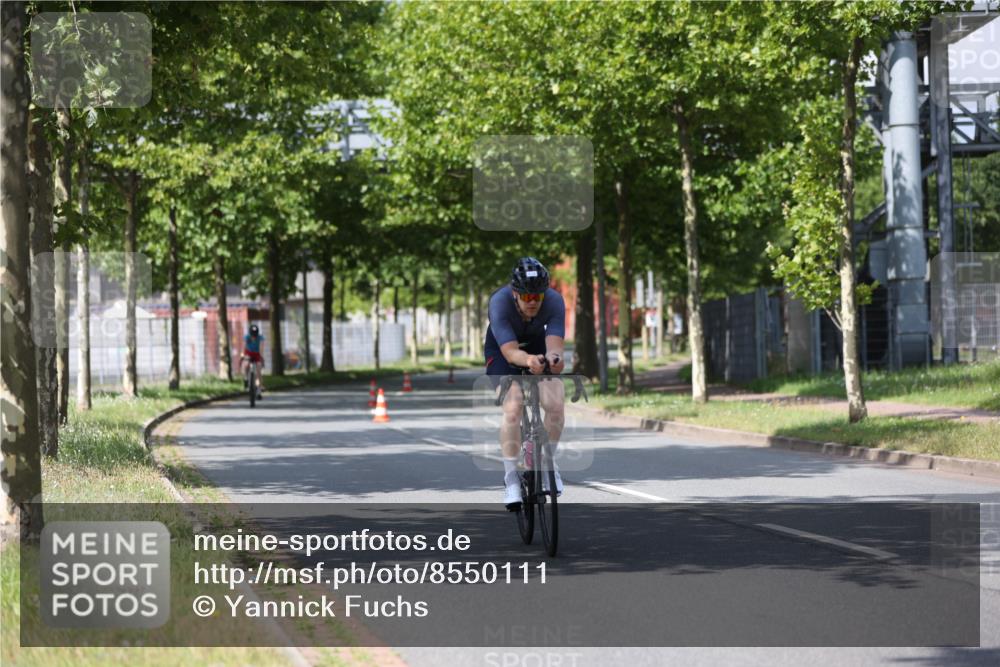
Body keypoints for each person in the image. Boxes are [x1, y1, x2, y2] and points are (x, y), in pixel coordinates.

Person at [484, 257, 566, 509]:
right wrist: (529, 360)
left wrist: (555, 359)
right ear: (515, 293)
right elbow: (511, 354)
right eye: (527, 298)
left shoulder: (553, 301)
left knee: (555, 404)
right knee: (513, 405)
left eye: (537, 298)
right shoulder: (499, 303)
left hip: (536, 346)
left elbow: (554, 346)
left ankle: (547, 463)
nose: (533, 303)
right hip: (503, 351)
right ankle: (511, 480)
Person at [240, 324, 265, 398]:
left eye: (255, 335)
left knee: (258, 370)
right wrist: (242, 355)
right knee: (246, 364)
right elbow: (244, 346)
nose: (254, 337)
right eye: (252, 335)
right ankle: (246, 378)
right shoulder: (247, 337)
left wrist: (261, 357)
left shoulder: (260, 338)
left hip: (257, 354)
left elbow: (261, 348)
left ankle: (259, 390)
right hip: (249, 353)